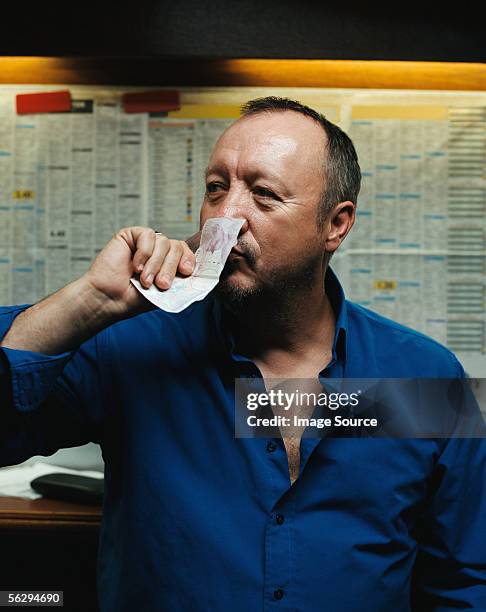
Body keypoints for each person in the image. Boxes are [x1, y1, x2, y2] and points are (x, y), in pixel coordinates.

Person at [0, 97, 485, 611]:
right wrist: (91, 301)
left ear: (335, 225)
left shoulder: (421, 375)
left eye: (263, 194)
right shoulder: (131, 350)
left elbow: (462, 582)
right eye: (216, 188)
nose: (226, 217)